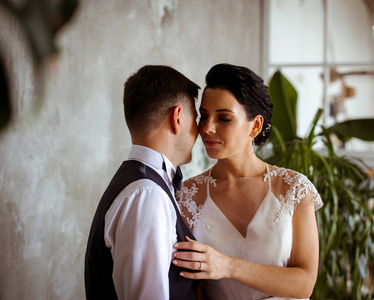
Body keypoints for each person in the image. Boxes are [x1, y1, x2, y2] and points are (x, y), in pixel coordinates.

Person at [174, 63, 324, 300]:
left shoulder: (294, 187)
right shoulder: (189, 195)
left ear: (255, 125)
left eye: (224, 118)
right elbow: (192, 286)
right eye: (203, 116)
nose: (207, 128)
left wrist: (228, 266)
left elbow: (305, 283)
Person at [84, 65, 201, 300]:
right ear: (177, 118)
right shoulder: (147, 194)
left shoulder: (143, 184)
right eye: (196, 118)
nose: (200, 131)